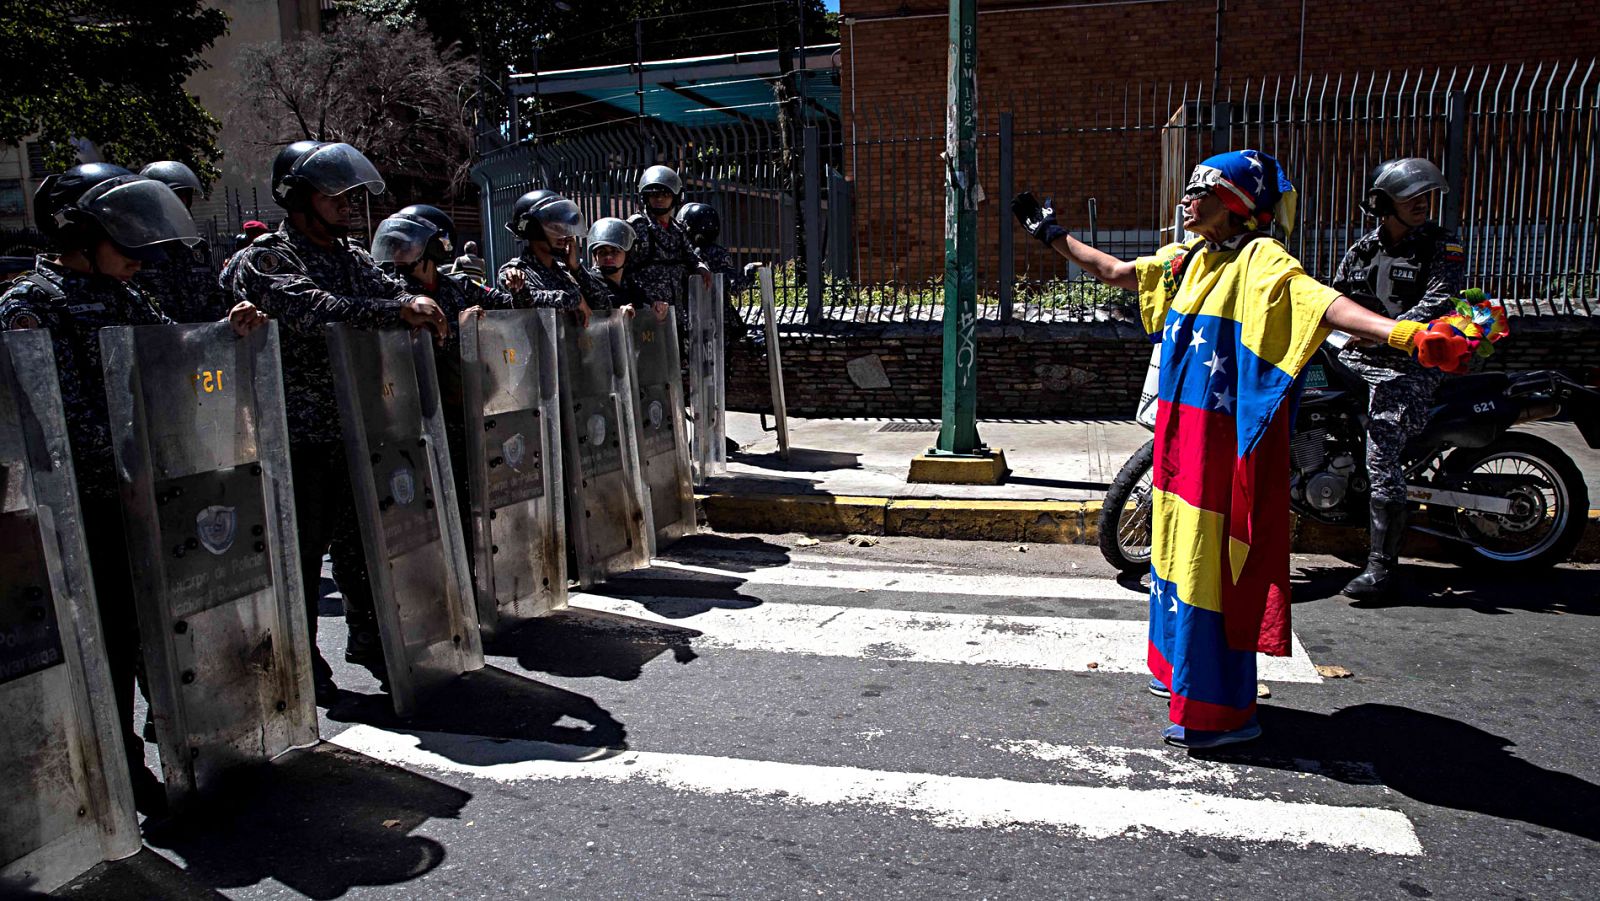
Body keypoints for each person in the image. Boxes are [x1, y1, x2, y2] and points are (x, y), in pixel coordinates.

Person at [1013, 150, 1472, 749]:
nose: (1185, 200)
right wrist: (1050, 233)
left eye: (1198, 191)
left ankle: (1215, 713)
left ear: (1233, 205)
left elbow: (1320, 303)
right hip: (1182, 444)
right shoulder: (1189, 260)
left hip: (1218, 448)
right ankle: (1180, 675)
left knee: (1209, 565)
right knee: (1174, 554)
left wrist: (1405, 334)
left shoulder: (1260, 260)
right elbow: (1116, 272)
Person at [0, 163, 268, 813]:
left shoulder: (125, 296)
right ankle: (116, 770)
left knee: (159, 625)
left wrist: (223, 335)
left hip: (144, 493)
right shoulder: (30, 304)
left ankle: (185, 734)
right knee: (103, 641)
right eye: (126, 240)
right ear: (81, 232)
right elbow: (40, 417)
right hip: (77, 507)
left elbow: (171, 353)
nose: (139, 259)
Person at [223, 140, 447, 703]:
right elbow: (310, 309)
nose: (346, 203)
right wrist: (395, 311)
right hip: (299, 433)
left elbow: (389, 288)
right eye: (333, 193)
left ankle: (371, 636)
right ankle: (300, 660)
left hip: (362, 424)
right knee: (301, 554)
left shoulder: (349, 254)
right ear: (296, 196)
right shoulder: (269, 257)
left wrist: (408, 301)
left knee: (361, 543)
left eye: (349, 193)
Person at [1333, 158, 1465, 599]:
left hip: (1410, 365)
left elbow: (1440, 302)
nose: (1423, 204)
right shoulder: (1363, 250)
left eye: (1426, 197)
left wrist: (1382, 336)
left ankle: (1382, 568)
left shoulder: (1440, 247)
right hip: (1359, 356)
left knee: (1381, 447)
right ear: (1382, 203)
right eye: (1411, 197)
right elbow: (1336, 300)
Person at [133, 160, 223, 322]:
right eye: (172, 196)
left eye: (184, 195)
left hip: (202, 340)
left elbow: (214, 299)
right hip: (158, 341)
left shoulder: (196, 247)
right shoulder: (136, 248)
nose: (180, 203)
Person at [495, 189, 594, 325]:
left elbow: (601, 304)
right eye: (555, 227)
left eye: (563, 227)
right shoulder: (515, 272)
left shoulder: (565, 271)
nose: (564, 235)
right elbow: (529, 302)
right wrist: (574, 300)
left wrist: (576, 268)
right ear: (534, 229)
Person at [627, 165, 710, 312]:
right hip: (647, 311)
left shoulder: (678, 230)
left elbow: (692, 258)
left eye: (665, 194)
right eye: (654, 194)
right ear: (646, 197)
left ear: (675, 197)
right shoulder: (637, 226)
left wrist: (701, 267)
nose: (659, 199)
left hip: (676, 311)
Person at [677, 201, 762, 341]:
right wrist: (749, 270)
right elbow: (734, 287)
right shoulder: (717, 253)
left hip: (690, 318)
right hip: (717, 320)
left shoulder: (682, 254)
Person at [583, 217, 652, 315]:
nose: (608, 257)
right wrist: (617, 314)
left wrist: (657, 309)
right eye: (602, 252)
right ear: (595, 256)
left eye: (615, 251)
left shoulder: (632, 286)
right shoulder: (589, 284)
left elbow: (645, 317)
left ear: (628, 255)